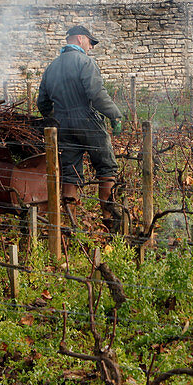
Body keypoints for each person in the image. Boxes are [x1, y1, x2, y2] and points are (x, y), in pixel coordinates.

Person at [37, 24, 124, 231]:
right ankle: (109, 221)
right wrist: (115, 115)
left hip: (62, 125)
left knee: (70, 172)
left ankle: (72, 226)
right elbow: (96, 94)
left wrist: (55, 118)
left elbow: (42, 103)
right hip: (87, 120)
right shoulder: (85, 63)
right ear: (79, 39)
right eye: (90, 42)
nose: (91, 47)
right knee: (106, 168)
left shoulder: (51, 67)